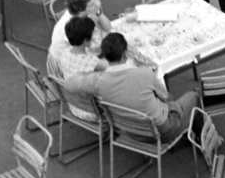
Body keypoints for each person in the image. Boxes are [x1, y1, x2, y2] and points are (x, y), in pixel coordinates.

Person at [61, 34, 197, 146]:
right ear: (125, 53)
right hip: (161, 131)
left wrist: (85, 75)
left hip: (127, 131)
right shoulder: (145, 74)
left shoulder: (98, 81)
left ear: (104, 56)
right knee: (193, 96)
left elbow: (69, 84)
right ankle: (202, 140)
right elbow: (166, 96)